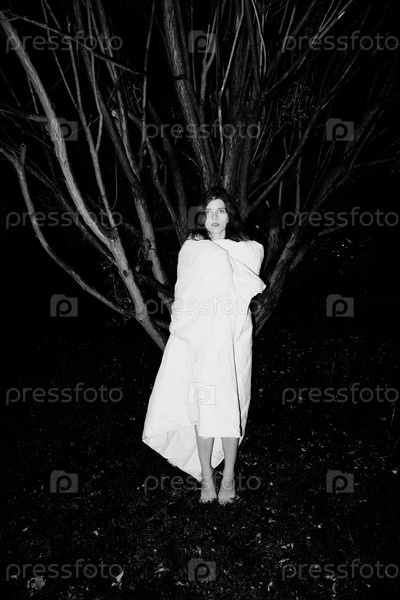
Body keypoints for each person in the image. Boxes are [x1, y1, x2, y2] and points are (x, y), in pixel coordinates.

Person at [142, 186, 266, 504]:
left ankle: (229, 477)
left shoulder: (245, 249)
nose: (214, 218)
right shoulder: (193, 249)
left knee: (230, 401)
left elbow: (244, 286)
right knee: (204, 404)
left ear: (229, 215)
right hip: (200, 337)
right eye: (208, 212)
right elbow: (184, 294)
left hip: (234, 335)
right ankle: (207, 479)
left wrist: (222, 260)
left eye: (220, 211)